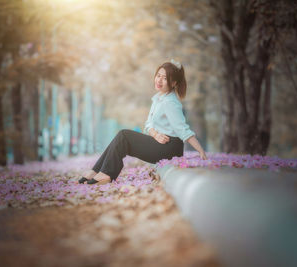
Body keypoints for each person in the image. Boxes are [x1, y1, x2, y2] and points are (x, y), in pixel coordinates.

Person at [78, 59, 207, 185]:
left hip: (169, 148)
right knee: (122, 137)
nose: (159, 80)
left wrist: (200, 150)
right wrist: (155, 134)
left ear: (173, 83)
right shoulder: (158, 98)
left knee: (124, 135)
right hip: (161, 144)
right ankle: (96, 171)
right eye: (158, 76)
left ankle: (106, 173)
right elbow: (148, 124)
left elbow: (182, 129)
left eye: (165, 78)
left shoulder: (170, 102)